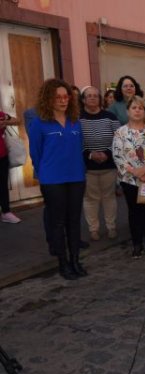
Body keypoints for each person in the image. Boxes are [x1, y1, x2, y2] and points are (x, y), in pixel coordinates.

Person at [28, 78, 87, 280]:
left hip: (76, 176)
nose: (63, 101)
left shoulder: (75, 121)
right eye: (58, 97)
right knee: (57, 222)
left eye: (66, 97)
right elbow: (35, 153)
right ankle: (63, 263)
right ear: (48, 99)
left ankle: (75, 260)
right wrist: (43, 172)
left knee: (74, 220)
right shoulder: (39, 123)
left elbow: (78, 147)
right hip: (52, 180)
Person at [112, 96, 145, 259]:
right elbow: (118, 156)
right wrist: (135, 172)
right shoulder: (120, 133)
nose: (138, 110)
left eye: (141, 108)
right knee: (134, 212)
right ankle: (137, 244)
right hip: (130, 180)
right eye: (134, 107)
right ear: (128, 111)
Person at [80, 86, 121, 240]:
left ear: (100, 99)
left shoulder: (110, 116)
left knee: (109, 197)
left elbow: (118, 139)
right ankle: (93, 229)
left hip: (108, 166)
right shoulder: (77, 118)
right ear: (83, 99)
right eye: (88, 96)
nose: (92, 98)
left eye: (95, 96)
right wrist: (90, 155)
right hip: (88, 168)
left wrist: (107, 153)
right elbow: (77, 142)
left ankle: (111, 227)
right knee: (91, 199)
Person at [0, 108, 22, 223]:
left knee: (3, 185)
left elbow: (17, 121)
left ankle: (6, 212)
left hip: (2, 155)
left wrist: (5, 122)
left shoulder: (1, 114)